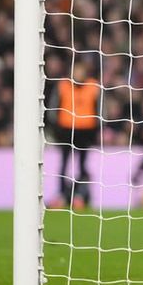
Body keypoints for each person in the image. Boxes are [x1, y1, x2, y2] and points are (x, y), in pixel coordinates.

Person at [52, 59, 101, 210]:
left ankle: (80, 196)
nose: (78, 74)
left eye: (81, 71)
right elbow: (53, 108)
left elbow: (101, 110)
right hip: (66, 130)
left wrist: (98, 129)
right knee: (64, 164)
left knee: (82, 165)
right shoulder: (63, 85)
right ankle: (62, 196)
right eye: (76, 71)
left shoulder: (93, 86)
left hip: (86, 131)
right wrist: (56, 129)